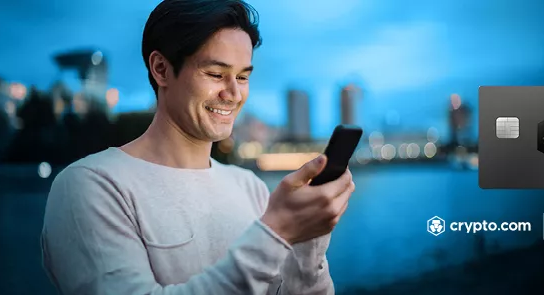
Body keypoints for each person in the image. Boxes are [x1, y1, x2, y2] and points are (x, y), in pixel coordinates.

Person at [40, 1, 355, 294]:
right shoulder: (89, 185)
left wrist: (307, 241)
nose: (233, 94)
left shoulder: (250, 187)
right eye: (216, 74)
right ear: (161, 69)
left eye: (242, 77)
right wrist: (276, 232)